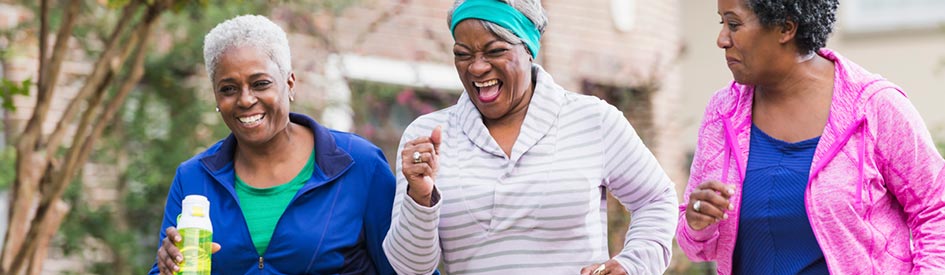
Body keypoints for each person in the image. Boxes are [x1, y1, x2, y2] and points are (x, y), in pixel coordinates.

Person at [381, 0, 679, 274]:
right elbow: (411, 269)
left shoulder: (592, 120)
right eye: (463, 54)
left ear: (528, 48)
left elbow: (656, 199)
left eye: (495, 51)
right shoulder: (428, 137)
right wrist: (419, 196)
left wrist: (634, 263)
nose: (477, 66)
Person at [677, 0, 945, 274]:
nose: (722, 40)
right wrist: (697, 222)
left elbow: (937, 209)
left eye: (734, 25)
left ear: (786, 28)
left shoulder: (874, 107)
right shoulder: (723, 112)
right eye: (722, 23)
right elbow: (697, 247)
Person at [150, 15, 396, 275]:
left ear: (289, 83)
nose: (245, 100)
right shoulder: (193, 179)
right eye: (228, 89)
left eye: (260, 84)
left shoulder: (360, 165)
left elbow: (404, 268)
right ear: (216, 96)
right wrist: (166, 269)